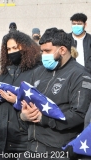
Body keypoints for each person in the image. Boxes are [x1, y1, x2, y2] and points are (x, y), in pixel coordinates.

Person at [20, 28, 91, 160]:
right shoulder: (37, 72)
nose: (43, 55)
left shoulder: (81, 75)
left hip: (58, 151)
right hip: (31, 148)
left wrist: (44, 119)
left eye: (47, 51)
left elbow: (79, 114)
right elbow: (25, 102)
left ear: (62, 50)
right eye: (42, 51)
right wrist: (23, 116)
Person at [0, 31, 41, 160]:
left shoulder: (37, 71)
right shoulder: (5, 72)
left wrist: (16, 100)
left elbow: (39, 103)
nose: (12, 51)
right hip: (3, 137)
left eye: (15, 48)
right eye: (8, 49)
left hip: (24, 139)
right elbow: (0, 103)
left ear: (26, 47)